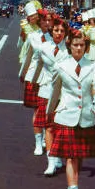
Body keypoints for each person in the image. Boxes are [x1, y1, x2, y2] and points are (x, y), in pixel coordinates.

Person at [46, 28, 95, 189]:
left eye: (82, 45)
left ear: (86, 47)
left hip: (85, 116)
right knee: (71, 157)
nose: (78, 48)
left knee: (79, 156)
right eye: (75, 45)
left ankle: (71, 185)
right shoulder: (60, 66)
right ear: (69, 46)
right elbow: (54, 91)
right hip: (66, 115)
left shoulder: (92, 65)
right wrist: (49, 111)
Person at [31, 16, 70, 176]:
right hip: (46, 90)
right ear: (51, 30)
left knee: (60, 127)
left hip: (64, 93)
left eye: (62, 31)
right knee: (48, 126)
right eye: (56, 30)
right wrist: (32, 81)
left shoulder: (69, 49)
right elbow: (36, 63)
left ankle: (58, 155)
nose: (59, 33)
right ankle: (51, 161)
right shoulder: (43, 47)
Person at [19, 8, 53, 156]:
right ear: (39, 22)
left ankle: (47, 137)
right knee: (37, 110)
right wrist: (23, 72)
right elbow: (31, 55)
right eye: (44, 20)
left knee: (49, 110)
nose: (47, 23)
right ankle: (38, 141)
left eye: (49, 20)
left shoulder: (57, 36)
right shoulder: (33, 36)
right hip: (36, 75)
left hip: (51, 76)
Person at [18, 0, 41, 65]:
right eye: (31, 16)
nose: (33, 17)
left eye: (35, 15)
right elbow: (21, 40)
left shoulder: (42, 25)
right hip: (27, 49)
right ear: (28, 17)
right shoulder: (25, 25)